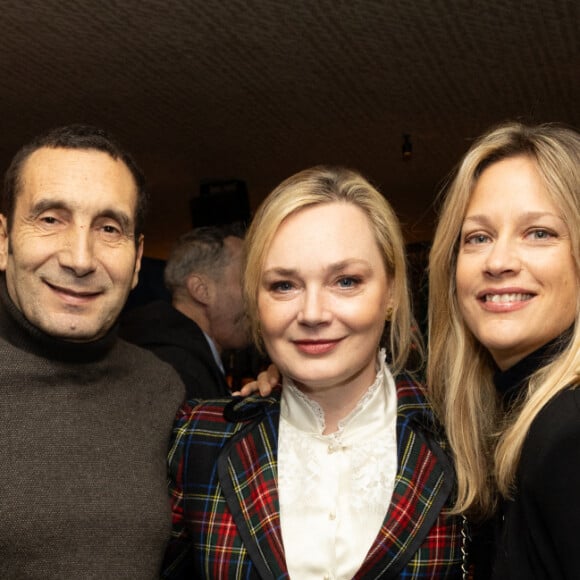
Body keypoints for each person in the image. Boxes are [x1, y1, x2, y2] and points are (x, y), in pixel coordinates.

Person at [163, 166, 464, 579]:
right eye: (284, 285)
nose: (313, 314)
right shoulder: (197, 439)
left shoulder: (462, 437)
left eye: (345, 281)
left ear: (391, 292)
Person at [0, 124, 185, 578]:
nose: (80, 259)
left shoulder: (162, 389)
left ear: (138, 260)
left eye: (109, 227)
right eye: (50, 219)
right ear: (3, 241)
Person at [427, 121, 580, 578]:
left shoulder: (568, 436)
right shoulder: (513, 413)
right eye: (478, 237)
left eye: (539, 233)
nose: (498, 262)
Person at [120, 224, 250, 399]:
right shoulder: (176, 374)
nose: (257, 295)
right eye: (245, 281)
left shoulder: (179, 358)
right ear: (201, 290)